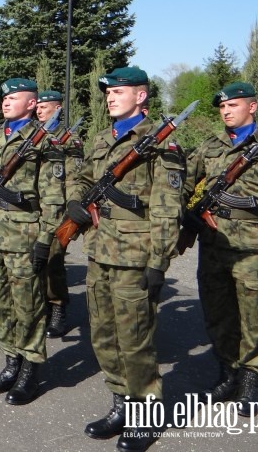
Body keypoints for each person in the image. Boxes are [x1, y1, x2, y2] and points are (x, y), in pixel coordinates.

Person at [64, 66, 185, 450]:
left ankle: (145, 416)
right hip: (99, 250)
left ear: (142, 96)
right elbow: (82, 177)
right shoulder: (102, 139)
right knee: (103, 335)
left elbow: (168, 209)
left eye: (119, 91)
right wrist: (75, 201)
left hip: (136, 256)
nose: (111, 97)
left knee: (135, 341)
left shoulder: (161, 145)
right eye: (108, 93)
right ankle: (120, 403)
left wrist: (159, 262)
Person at [0, 78, 64, 405]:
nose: (6, 101)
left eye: (14, 97)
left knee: (30, 306)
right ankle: (10, 363)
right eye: (4, 97)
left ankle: (31, 370)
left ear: (32, 104)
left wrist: (45, 240)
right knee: (1, 301)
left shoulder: (44, 143)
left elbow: (54, 199)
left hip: (26, 235)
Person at [184, 81, 258, 416]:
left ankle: (251, 381)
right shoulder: (210, 145)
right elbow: (183, 181)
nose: (225, 111)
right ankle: (228, 372)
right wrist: (183, 214)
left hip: (254, 245)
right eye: (222, 107)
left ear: (252, 107)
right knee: (218, 312)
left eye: (233, 105)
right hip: (213, 243)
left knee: (253, 316)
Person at [35, 90, 84, 338]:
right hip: (34, 210)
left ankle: (57, 309)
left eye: (45, 107)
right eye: (39, 107)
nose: (40, 110)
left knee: (53, 262)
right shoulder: (34, 135)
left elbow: (75, 176)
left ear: (57, 109)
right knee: (35, 261)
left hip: (57, 210)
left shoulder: (69, 139)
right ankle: (39, 305)